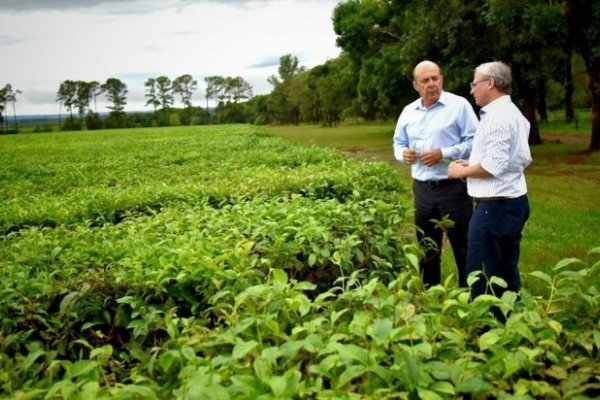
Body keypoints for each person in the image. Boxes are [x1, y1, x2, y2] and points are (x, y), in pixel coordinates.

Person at [448, 61, 532, 301]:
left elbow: (493, 166)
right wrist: (472, 164)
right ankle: (509, 321)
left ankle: (484, 330)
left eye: (475, 84)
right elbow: (513, 158)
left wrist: (460, 172)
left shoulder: (496, 116)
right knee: (506, 270)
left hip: (494, 207)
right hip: (513, 202)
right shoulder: (513, 112)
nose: (472, 90)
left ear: (490, 83)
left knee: (481, 274)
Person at [393, 60, 478, 288]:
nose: (431, 84)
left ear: (442, 79)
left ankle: (470, 296)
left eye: (435, 78)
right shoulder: (408, 111)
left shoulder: (459, 106)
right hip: (422, 189)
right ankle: (432, 294)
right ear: (415, 85)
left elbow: (474, 141)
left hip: (453, 186)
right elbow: (398, 142)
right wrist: (403, 154)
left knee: (463, 245)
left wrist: (444, 153)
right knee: (427, 246)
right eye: (425, 80)